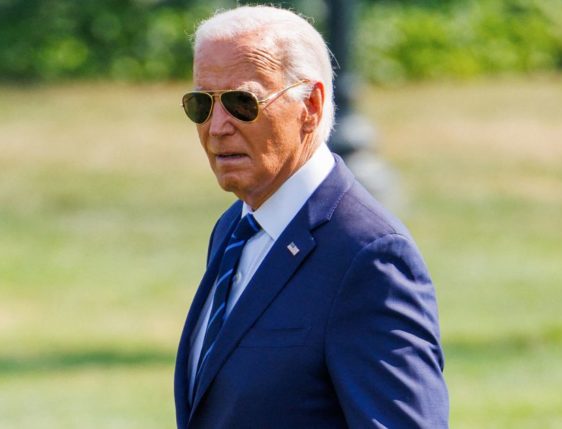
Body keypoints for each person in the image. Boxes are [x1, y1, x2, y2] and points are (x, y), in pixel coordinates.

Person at [173, 5, 448, 428]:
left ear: (311, 105)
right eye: (201, 104)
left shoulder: (369, 256)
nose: (217, 126)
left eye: (242, 102)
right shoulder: (234, 228)